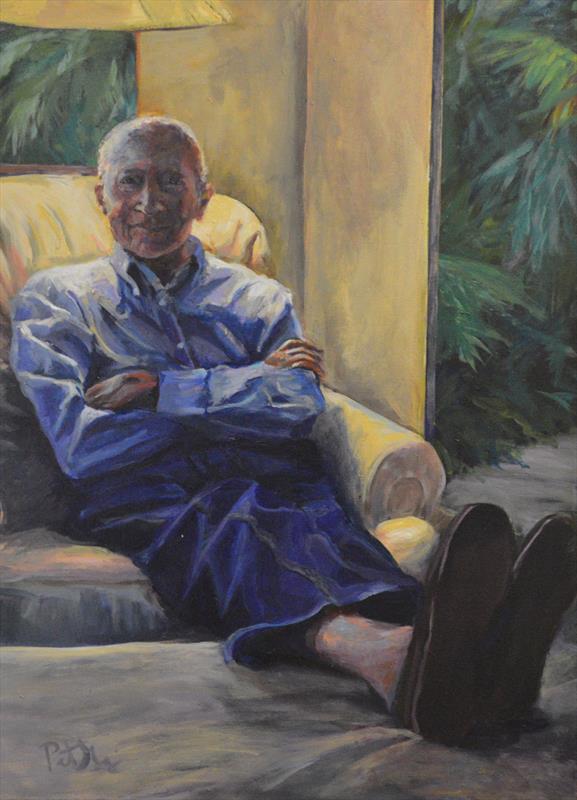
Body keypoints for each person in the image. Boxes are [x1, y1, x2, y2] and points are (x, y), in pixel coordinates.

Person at [10, 117, 577, 746]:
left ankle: (458, 661)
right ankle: (411, 655)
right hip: (142, 494)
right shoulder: (58, 300)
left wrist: (159, 391)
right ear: (102, 195)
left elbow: (300, 405)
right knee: (238, 518)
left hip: (272, 470)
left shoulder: (257, 298)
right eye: (131, 183)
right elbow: (82, 446)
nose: (150, 203)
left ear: (203, 196)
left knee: (310, 518)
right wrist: (248, 387)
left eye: (171, 182)